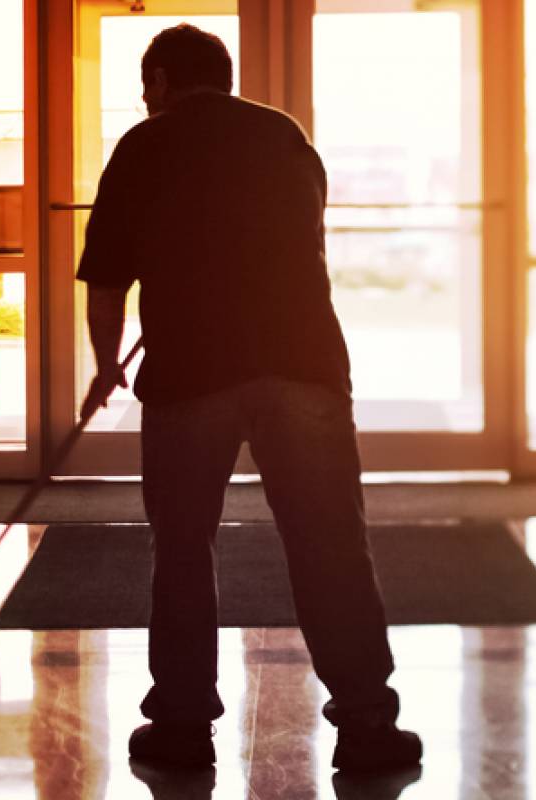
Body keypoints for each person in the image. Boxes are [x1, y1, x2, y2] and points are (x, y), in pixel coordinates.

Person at [76, 24, 421, 773]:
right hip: (303, 365)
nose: (144, 98)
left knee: (183, 549)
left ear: (163, 80)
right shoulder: (285, 137)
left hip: (191, 373)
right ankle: (366, 725)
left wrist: (106, 365)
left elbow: (106, 279)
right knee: (331, 545)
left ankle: (180, 726)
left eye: (146, 84)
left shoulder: (144, 145)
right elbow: (296, 242)